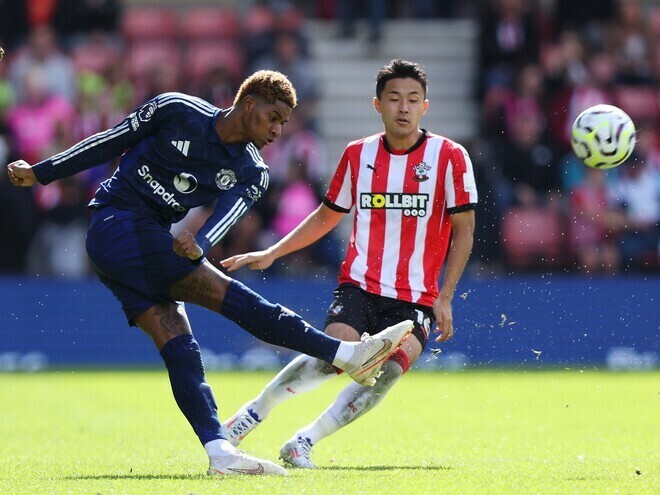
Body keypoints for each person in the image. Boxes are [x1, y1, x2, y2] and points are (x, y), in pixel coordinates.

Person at [5, 70, 413, 476]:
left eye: (284, 123)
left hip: (146, 245)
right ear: (248, 103)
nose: (277, 129)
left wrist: (201, 242)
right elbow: (111, 140)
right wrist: (43, 172)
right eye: (273, 117)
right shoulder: (175, 109)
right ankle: (345, 354)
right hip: (117, 224)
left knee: (181, 345)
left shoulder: (253, 171)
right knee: (227, 295)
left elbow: (226, 216)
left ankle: (220, 452)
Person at [220, 59, 477, 468]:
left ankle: (304, 441)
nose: (404, 107)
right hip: (360, 282)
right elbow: (326, 216)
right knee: (331, 356)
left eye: (413, 99)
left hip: (417, 295)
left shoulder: (450, 157)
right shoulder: (359, 154)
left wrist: (446, 296)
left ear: (425, 106)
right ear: (378, 104)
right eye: (394, 99)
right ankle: (252, 413)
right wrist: (272, 253)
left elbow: (464, 228)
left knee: (388, 371)